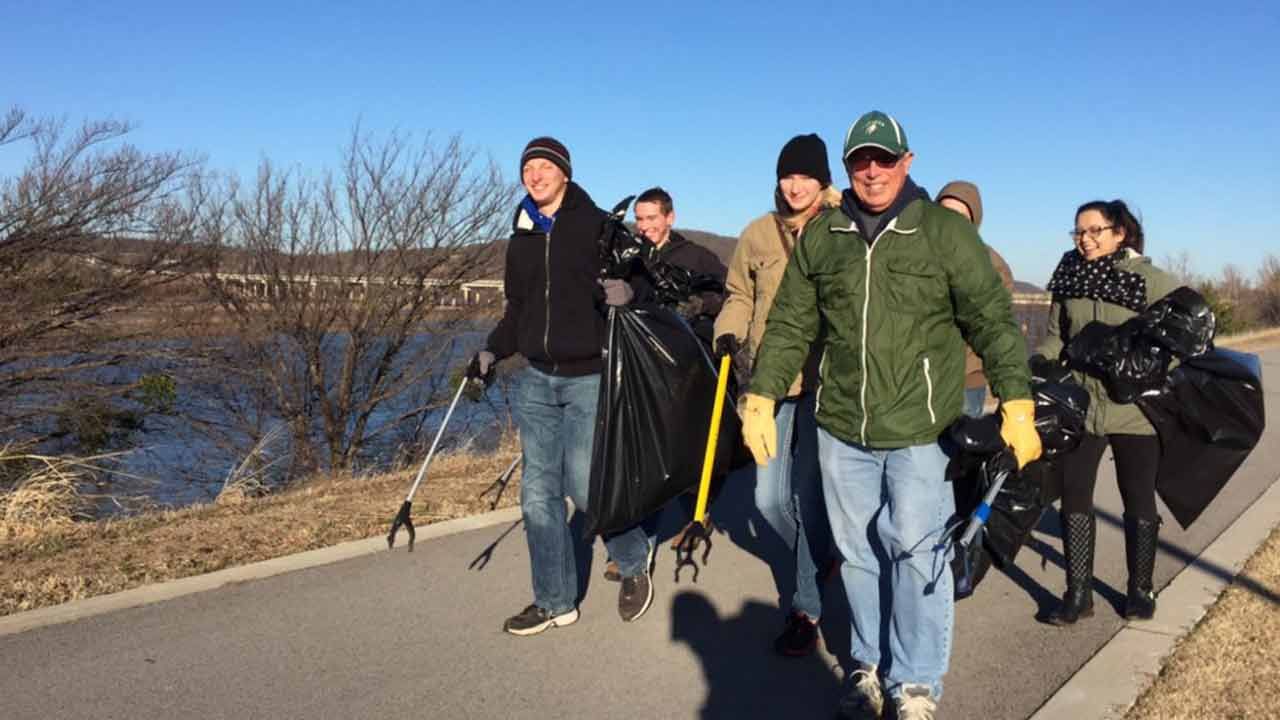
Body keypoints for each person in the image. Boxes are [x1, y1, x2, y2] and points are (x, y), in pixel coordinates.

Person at [741, 112, 1040, 720]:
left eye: (883, 158)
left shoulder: (942, 233)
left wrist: (1018, 401)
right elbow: (792, 323)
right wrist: (763, 396)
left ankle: (917, 682)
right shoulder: (825, 235)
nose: (871, 171)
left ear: (907, 162)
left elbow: (991, 320)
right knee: (856, 554)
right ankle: (868, 667)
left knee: (916, 550)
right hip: (842, 427)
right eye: (860, 161)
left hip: (920, 428)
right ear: (847, 170)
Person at [468, 137, 655, 636]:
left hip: (589, 377)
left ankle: (633, 558)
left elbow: (646, 282)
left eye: (545, 166)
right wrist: (491, 351)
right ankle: (554, 601)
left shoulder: (594, 226)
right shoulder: (522, 237)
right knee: (536, 497)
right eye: (528, 167)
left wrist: (630, 291)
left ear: (565, 174)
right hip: (535, 380)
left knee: (584, 486)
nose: (535, 174)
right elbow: (517, 312)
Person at [713, 133, 837, 658]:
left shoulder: (842, 228)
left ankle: (805, 607)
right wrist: (728, 329)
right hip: (770, 384)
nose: (794, 186)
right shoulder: (758, 234)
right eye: (787, 175)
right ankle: (818, 556)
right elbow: (740, 293)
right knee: (768, 499)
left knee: (809, 495)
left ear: (823, 181)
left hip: (825, 383)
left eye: (805, 176)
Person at [1036, 199, 1179, 626]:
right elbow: (1054, 337)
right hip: (1082, 407)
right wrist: (1042, 361)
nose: (1085, 239)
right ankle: (1078, 593)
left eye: (1095, 230)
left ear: (1120, 233)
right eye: (1079, 231)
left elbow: (1183, 336)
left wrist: (1146, 371)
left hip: (1134, 409)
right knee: (1075, 495)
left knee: (1138, 497)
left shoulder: (1151, 280)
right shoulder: (1069, 279)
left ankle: (1140, 589)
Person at [599, 186, 729, 582]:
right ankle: (636, 546)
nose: (646, 226)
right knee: (643, 451)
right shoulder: (630, 258)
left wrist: (697, 306)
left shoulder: (697, 256)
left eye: (652, 218)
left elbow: (725, 296)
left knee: (689, 444)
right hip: (641, 367)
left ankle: (698, 515)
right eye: (640, 219)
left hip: (688, 366)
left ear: (670, 218)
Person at [935, 181, 1016, 418]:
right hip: (915, 380)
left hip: (964, 381)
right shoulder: (915, 252)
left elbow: (992, 327)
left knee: (959, 451)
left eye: (960, 215)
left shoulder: (992, 265)